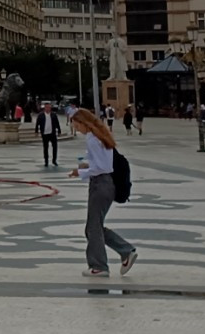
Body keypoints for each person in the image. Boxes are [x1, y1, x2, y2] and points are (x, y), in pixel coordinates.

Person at [66, 106, 137, 278]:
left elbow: (103, 167)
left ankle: (99, 266)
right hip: (107, 184)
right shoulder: (101, 136)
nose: (75, 128)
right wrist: (86, 166)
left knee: (93, 227)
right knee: (93, 227)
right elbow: (103, 162)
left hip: (101, 184)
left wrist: (80, 172)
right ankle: (125, 251)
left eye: (75, 124)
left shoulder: (92, 139)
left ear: (83, 123)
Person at [31, 102, 62, 167]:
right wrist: (36, 131)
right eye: (46, 107)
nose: (48, 108)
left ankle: (54, 160)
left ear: (50, 108)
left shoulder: (53, 115)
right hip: (45, 134)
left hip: (52, 133)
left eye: (49, 107)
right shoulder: (41, 115)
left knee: (55, 147)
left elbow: (57, 123)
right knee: (45, 148)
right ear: (44, 108)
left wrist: (59, 131)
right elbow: (37, 123)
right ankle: (46, 161)